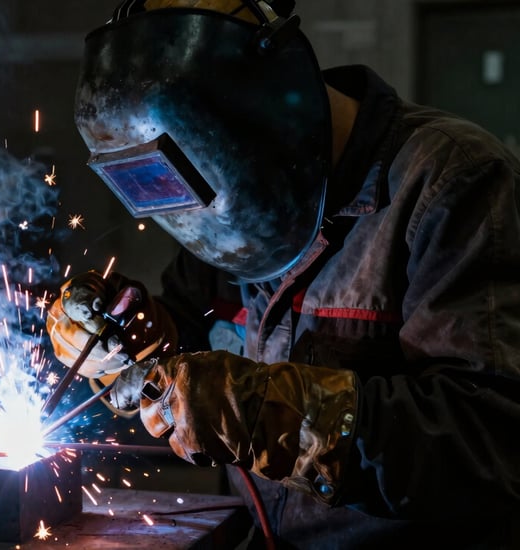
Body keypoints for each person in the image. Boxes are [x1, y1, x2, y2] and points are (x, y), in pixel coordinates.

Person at [45, 1, 520, 547]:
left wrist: (279, 416)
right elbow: (188, 332)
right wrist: (123, 341)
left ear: (264, 117)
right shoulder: (228, 217)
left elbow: (490, 443)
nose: (201, 223)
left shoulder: (449, 182)